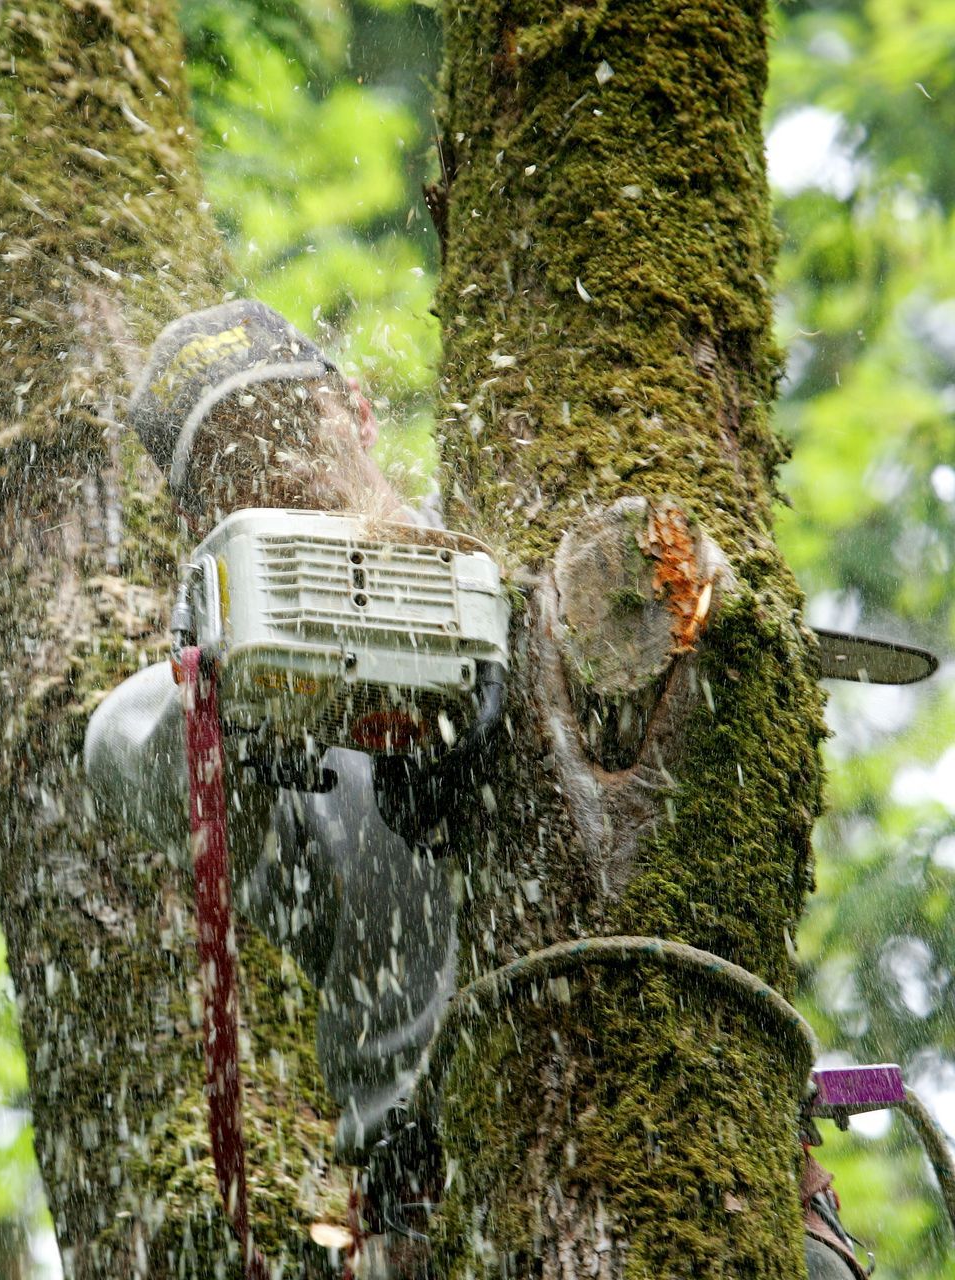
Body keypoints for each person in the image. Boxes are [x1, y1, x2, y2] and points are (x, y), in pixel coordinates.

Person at [84, 301, 870, 1278]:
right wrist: (231, 676)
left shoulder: (522, 575)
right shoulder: (259, 742)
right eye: (234, 461)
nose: (275, 466)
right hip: (439, 1196)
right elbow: (120, 750)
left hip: (692, 1117)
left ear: (357, 414)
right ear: (207, 520)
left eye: (288, 423)